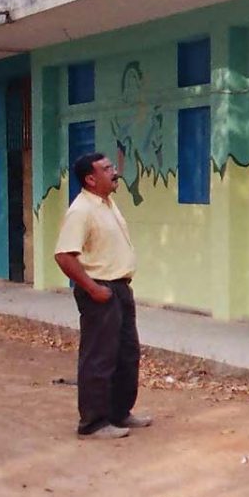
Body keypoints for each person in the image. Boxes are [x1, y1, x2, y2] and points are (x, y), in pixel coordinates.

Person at [53, 153, 151, 439]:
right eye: (107, 169)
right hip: (99, 289)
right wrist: (93, 289)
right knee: (100, 356)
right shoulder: (81, 210)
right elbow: (64, 255)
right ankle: (93, 423)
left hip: (119, 288)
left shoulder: (107, 203)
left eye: (113, 167)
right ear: (90, 179)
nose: (115, 172)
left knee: (126, 354)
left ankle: (119, 413)